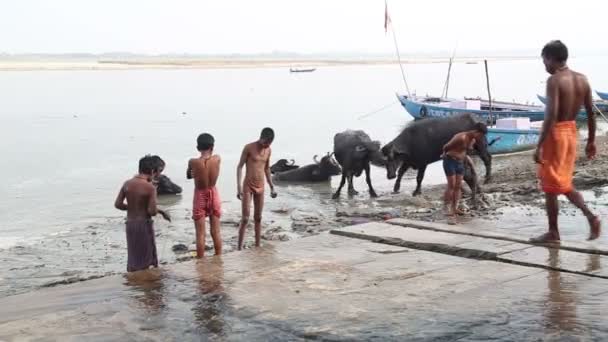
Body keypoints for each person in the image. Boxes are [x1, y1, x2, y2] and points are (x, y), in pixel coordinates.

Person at [531, 40, 601, 242]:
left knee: (552, 183)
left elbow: (550, 116)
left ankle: (585, 219)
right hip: (571, 132)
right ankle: (557, 229)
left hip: (556, 134)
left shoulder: (554, 80)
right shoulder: (582, 79)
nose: (544, 65)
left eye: (544, 60)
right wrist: (591, 141)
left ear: (551, 58)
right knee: (558, 182)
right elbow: (591, 113)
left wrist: (539, 145)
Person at [114, 155, 171, 272]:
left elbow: (118, 204)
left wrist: (134, 207)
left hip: (130, 224)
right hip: (144, 225)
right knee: (147, 257)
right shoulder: (150, 188)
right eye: (158, 172)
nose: (159, 176)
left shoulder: (127, 184)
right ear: (152, 171)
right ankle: (147, 284)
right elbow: (151, 211)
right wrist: (159, 211)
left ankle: (134, 282)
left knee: (134, 256)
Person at [236, 127, 277, 250]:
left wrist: (272, 187)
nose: (266, 145)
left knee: (258, 218)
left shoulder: (268, 150)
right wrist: (239, 188)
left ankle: (258, 246)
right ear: (261, 138)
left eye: (269, 144)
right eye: (265, 143)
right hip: (248, 186)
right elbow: (239, 167)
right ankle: (239, 248)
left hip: (261, 186)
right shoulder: (249, 147)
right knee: (245, 218)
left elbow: (267, 168)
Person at [187, 133, 222, 257]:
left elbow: (189, 175)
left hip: (200, 195)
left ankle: (200, 261)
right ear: (212, 147)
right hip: (213, 193)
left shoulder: (192, 161)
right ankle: (219, 257)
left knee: (200, 234)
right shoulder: (217, 158)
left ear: (197, 147)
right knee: (216, 231)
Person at [441, 124, 487, 216]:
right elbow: (446, 146)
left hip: (460, 163)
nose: (481, 137)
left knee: (458, 186)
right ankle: (446, 208)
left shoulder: (473, 140)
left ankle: (455, 208)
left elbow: (466, 151)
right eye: (480, 135)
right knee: (451, 185)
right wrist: (444, 155)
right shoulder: (461, 137)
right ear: (476, 131)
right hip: (450, 161)